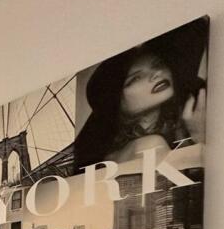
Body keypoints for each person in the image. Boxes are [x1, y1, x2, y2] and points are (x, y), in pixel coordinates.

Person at [73, 18, 207, 172]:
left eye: (158, 64)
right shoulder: (149, 147)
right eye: (135, 78)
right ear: (116, 104)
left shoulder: (167, 136)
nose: (157, 73)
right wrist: (201, 138)